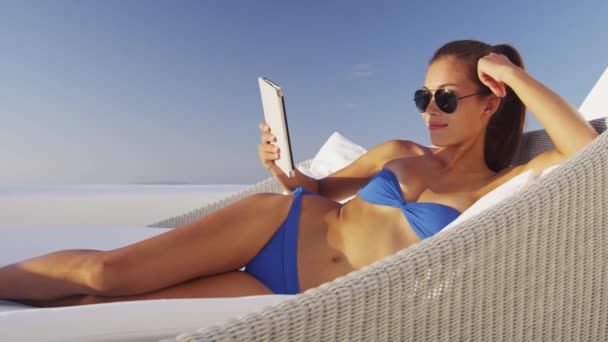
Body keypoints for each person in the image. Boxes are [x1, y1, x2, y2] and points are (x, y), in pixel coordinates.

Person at [0, 40, 598, 307]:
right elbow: (314, 190)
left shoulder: (506, 183)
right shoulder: (397, 149)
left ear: (490, 100)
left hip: (291, 292)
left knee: (94, 307)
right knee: (105, 272)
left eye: (447, 98)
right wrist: (280, 166)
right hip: (275, 226)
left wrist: (511, 71)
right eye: (423, 96)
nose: (429, 111)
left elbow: (587, 151)